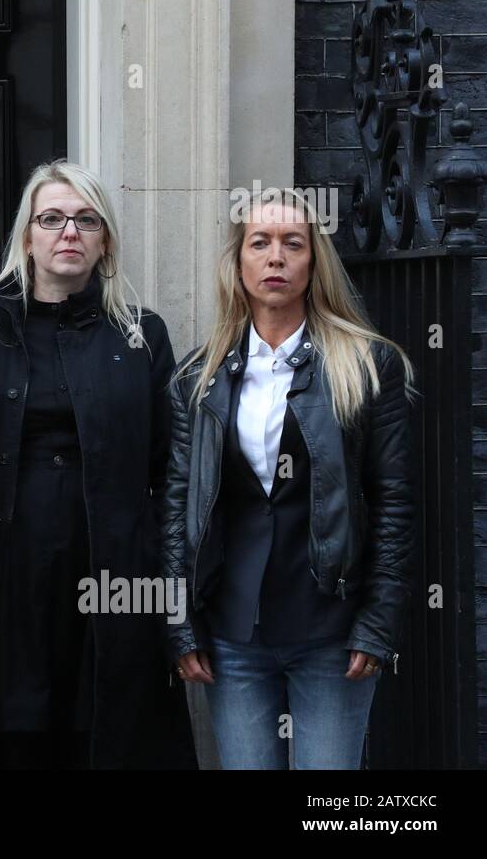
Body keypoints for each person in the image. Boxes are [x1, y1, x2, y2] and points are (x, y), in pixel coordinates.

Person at [0, 160, 196, 769]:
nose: (69, 232)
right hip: (3, 566)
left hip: (111, 567)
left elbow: (170, 469)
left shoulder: (140, 335)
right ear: (26, 236)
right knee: (12, 727)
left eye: (86, 220)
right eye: (51, 219)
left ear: (105, 239)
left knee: (105, 727)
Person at [163, 193, 416, 769]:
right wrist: (181, 625)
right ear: (239, 263)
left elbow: (395, 504)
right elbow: (179, 506)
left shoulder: (367, 366)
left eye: (292, 243)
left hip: (332, 631)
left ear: (313, 262)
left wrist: (377, 624)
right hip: (232, 636)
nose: (275, 257)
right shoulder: (196, 378)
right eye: (260, 243)